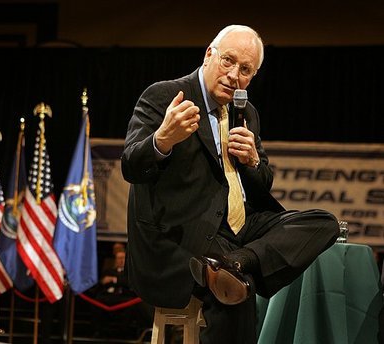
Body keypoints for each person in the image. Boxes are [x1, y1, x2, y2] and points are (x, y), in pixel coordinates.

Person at [121, 24, 339, 344]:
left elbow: (262, 186)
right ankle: (234, 269)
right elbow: (130, 165)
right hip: (182, 232)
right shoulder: (165, 96)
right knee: (237, 289)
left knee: (323, 223)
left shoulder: (245, 111)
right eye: (229, 61)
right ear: (209, 55)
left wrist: (252, 160)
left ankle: (236, 262)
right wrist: (162, 140)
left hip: (236, 229)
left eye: (246, 69)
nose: (235, 74)